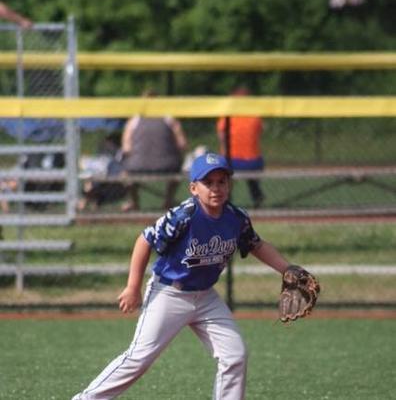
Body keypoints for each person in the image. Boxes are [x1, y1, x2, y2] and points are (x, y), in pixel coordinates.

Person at [72, 152, 298, 400]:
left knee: (235, 355)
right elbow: (145, 239)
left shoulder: (236, 218)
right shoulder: (183, 216)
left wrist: (288, 270)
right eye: (208, 182)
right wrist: (132, 287)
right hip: (169, 293)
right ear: (193, 188)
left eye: (222, 181)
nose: (216, 188)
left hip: (206, 298)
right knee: (139, 359)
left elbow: (255, 244)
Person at [120, 90, 188, 211]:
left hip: (136, 167)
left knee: (125, 174)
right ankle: (168, 200)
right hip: (168, 166)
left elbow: (126, 149)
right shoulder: (170, 119)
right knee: (178, 164)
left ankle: (135, 202)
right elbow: (182, 144)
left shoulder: (133, 121)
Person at [216, 86, 265, 208]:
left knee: (225, 173)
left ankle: (226, 198)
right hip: (254, 162)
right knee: (251, 174)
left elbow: (222, 137)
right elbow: (260, 131)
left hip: (233, 161)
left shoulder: (228, 115)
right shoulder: (254, 115)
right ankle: (256, 195)